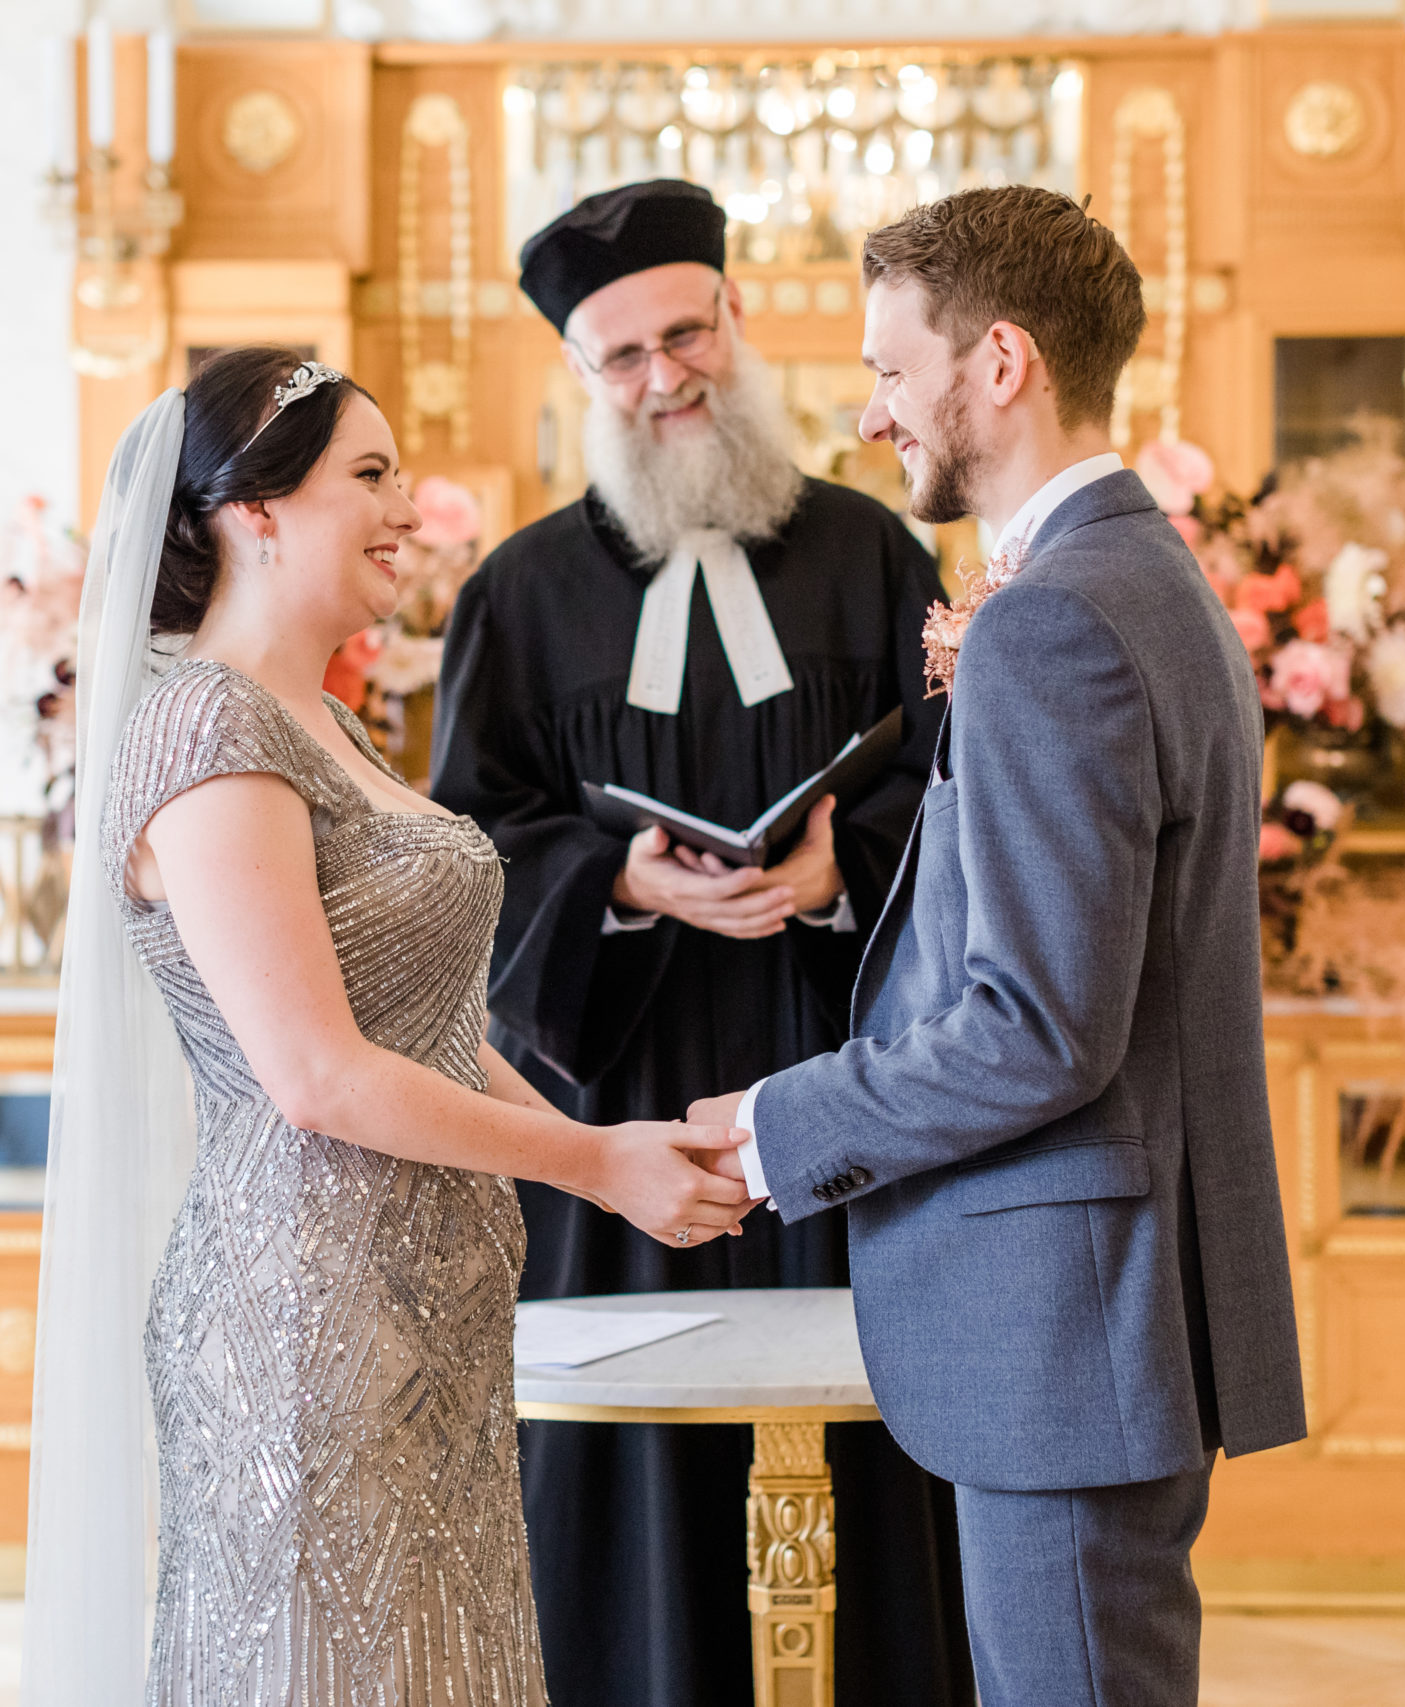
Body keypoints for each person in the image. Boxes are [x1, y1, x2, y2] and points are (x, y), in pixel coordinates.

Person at [20, 346, 756, 1706]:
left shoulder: (335, 727)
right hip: (309, 1319)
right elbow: (314, 1075)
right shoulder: (206, 736)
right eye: (370, 476)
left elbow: (421, 1030)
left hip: (429, 1316)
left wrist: (611, 1146)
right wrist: (596, 1170)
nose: (410, 512)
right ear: (254, 512)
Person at [691, 187, 1308, 1705]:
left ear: (1004, 363)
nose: (875, 408)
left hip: (1067, 1326)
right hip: (1104, 1310)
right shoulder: (1141, 580)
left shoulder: (1057, 621)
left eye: (895, 369)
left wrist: (786, 1124)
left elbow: (1038, 1027)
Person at [429, 179, 971, 1707]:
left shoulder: (873, 558)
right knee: (630, 1476)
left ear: (739, 323)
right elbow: (467, 846)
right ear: (580, 378)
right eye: (621, 356)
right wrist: (619, 885)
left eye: (686, 333)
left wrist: (834, 876)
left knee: (870, 1466)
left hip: (839, 1079)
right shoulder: (519, 595)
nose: (664, 376)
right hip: (618, 1109)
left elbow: (961, 802)